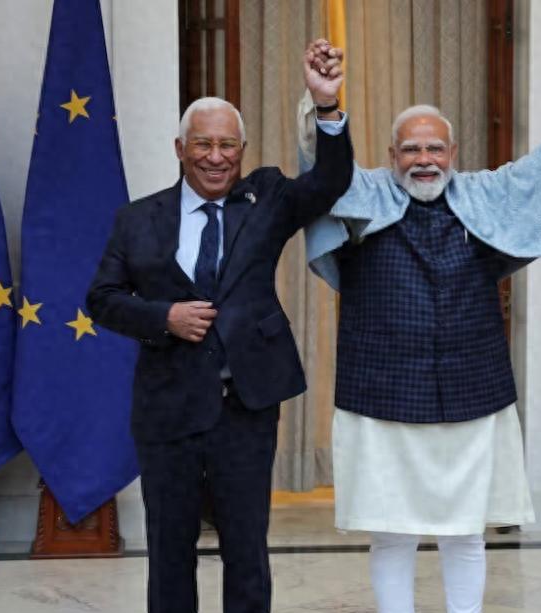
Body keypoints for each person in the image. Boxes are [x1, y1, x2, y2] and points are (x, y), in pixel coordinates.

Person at [299, 68, 541, 613]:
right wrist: (326, 105)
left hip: (472, 391)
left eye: (435, 148)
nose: (424, 159)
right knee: (391, 532)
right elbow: (320, 166)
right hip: (379, 394)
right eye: (411, 149)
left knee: (466, 532)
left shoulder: (484, 193)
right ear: (392, 154)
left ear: (453, 152)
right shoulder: (362, 191)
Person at [86, 40, 353, 613]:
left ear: (242, 150)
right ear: (180, 149)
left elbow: (330, 182)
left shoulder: (267, 198)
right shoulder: (137, 219)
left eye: (227, 144)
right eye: (203, 144)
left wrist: (327, 105)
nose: (215, 157)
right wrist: (164, 317)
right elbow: (101, 300)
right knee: (169, 552)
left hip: (244, 409)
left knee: (246, 551)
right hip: (167, 410)